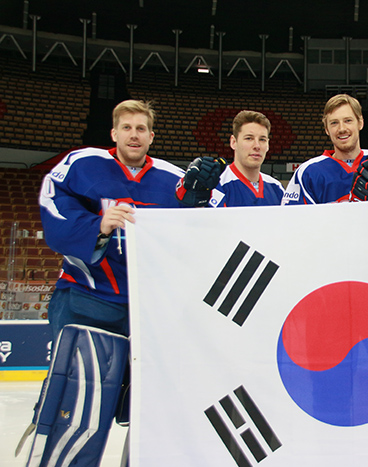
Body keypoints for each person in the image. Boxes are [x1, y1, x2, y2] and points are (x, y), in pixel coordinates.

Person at [30, 99, 186, 466]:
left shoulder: (173, 179)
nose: (134, 135)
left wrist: (198, 198)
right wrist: (97, 226)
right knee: (76, 405)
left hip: (146, 312)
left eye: (141, 129)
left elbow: (198, 229)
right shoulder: (82, 164)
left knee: (150, 409)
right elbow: (53, 203)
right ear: (114, 133)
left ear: (152, 136)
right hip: (87, 300)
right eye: (127, 128)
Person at [282, 93, 368, 205]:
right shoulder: (308, 172)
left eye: (348, 121)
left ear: (360, 123)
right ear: (326, 129)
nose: (342, 129)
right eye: (334, 123)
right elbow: (293, 215)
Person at [176, 110, 285, 207]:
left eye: (262, 139)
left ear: (268, 145)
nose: (257, 146)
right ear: (233, 142)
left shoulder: (277, 188)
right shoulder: (215, 184)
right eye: (249, 138)